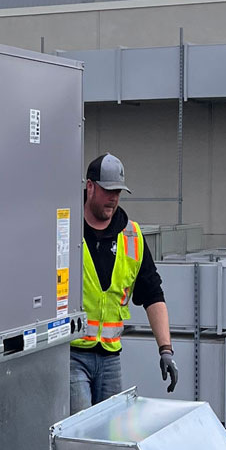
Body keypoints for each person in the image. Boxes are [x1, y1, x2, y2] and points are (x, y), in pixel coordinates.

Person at [70, 152, 177, 414]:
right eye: (108, 190)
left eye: (118, 191)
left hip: (110, 358)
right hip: (71, 354)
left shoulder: (132, 235)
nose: (113, 197)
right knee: (80, 430)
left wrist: (166, 350)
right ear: (90, 187)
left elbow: (153, 295)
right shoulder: (67, 228)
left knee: (109, 432)